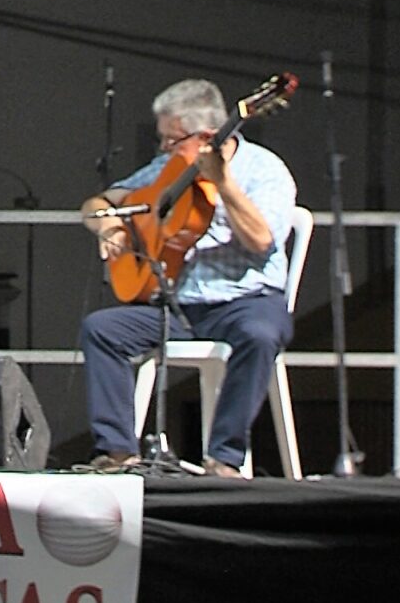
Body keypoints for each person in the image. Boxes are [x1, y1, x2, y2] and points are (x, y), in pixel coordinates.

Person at [79, 78, 296, 478]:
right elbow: (97, 204)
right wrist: (110, 226)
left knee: (261, 335)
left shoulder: (265, 171)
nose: (164, 149)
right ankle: (118, 454)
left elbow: (262, 240)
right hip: (178, 306)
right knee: (101, 328)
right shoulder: (169, 167)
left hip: (244, 301)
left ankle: (225, 458)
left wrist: (223, 183)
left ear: (207, 136)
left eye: (172, 139)